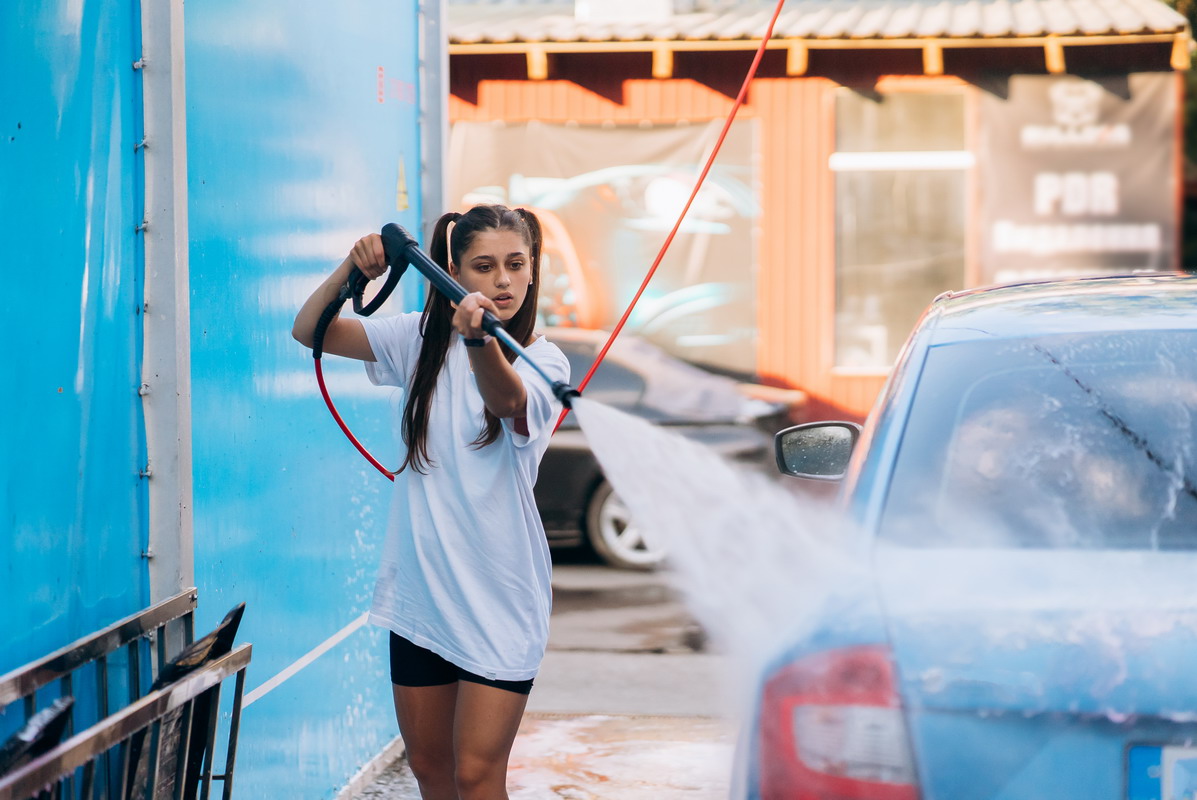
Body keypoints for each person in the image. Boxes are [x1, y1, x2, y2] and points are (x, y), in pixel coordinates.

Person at [292, 204, 570, 800]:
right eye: (484, 266)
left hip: (501, 601)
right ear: (453, 271)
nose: (503, 281)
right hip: (421, 598)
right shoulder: (417, 339)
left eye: (516, 265)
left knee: (476, 774)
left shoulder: (544, 362)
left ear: (532, 270)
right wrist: (353, 268)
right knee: (432, 772)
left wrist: (477, 342)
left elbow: (506, 401)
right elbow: (309, 329)